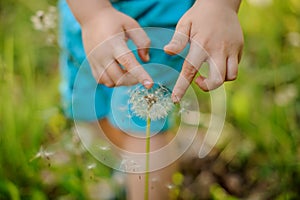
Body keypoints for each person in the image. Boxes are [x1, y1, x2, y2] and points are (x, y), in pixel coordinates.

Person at [58, 0, 243, 199]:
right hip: (82, 11)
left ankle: (147, 182)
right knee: (89, 109)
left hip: (161, 11)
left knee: (142, 130)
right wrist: (93, 15)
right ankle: (133, 163)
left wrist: (219, 6)